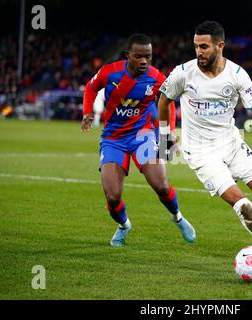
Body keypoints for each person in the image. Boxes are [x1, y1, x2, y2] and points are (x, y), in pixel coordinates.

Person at [158, 21, 252, 281]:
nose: (198, 52)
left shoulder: (236, 74)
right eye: (196, 46)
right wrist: (166, 136)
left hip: (232, 145)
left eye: (204, 46)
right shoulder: (183, 73)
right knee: (244, 205)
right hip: (201, 152)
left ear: (220, 46)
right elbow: (164, 99)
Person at [81, 34, 196, 247]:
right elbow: (90, 87)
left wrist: (169, 132)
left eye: (148, 56)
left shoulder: (156, 77)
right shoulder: (110, 71)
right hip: (113, 139)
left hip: (142, 135)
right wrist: (88, 111)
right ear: (128, 56)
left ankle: (178, 218)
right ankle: (124, 225)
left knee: (161, 185)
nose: (144, 61)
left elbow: (168, 102)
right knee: (113, 196)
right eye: (139, 56)